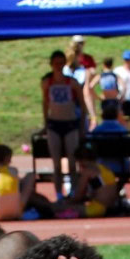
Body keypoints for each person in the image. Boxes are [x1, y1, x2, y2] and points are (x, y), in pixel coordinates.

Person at [41, 49, 89, 198]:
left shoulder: (72, 83)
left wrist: (82, 126)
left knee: (72, 162)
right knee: (56, 164)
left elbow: (82, 105)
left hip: (70, 124)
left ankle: (74, 192)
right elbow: (45, 103)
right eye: (56, 63)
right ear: (51, 64)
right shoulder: (46, 82)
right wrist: (45, 123)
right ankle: (58, 194)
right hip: (54, 125)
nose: (59, 66)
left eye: (61, 63)